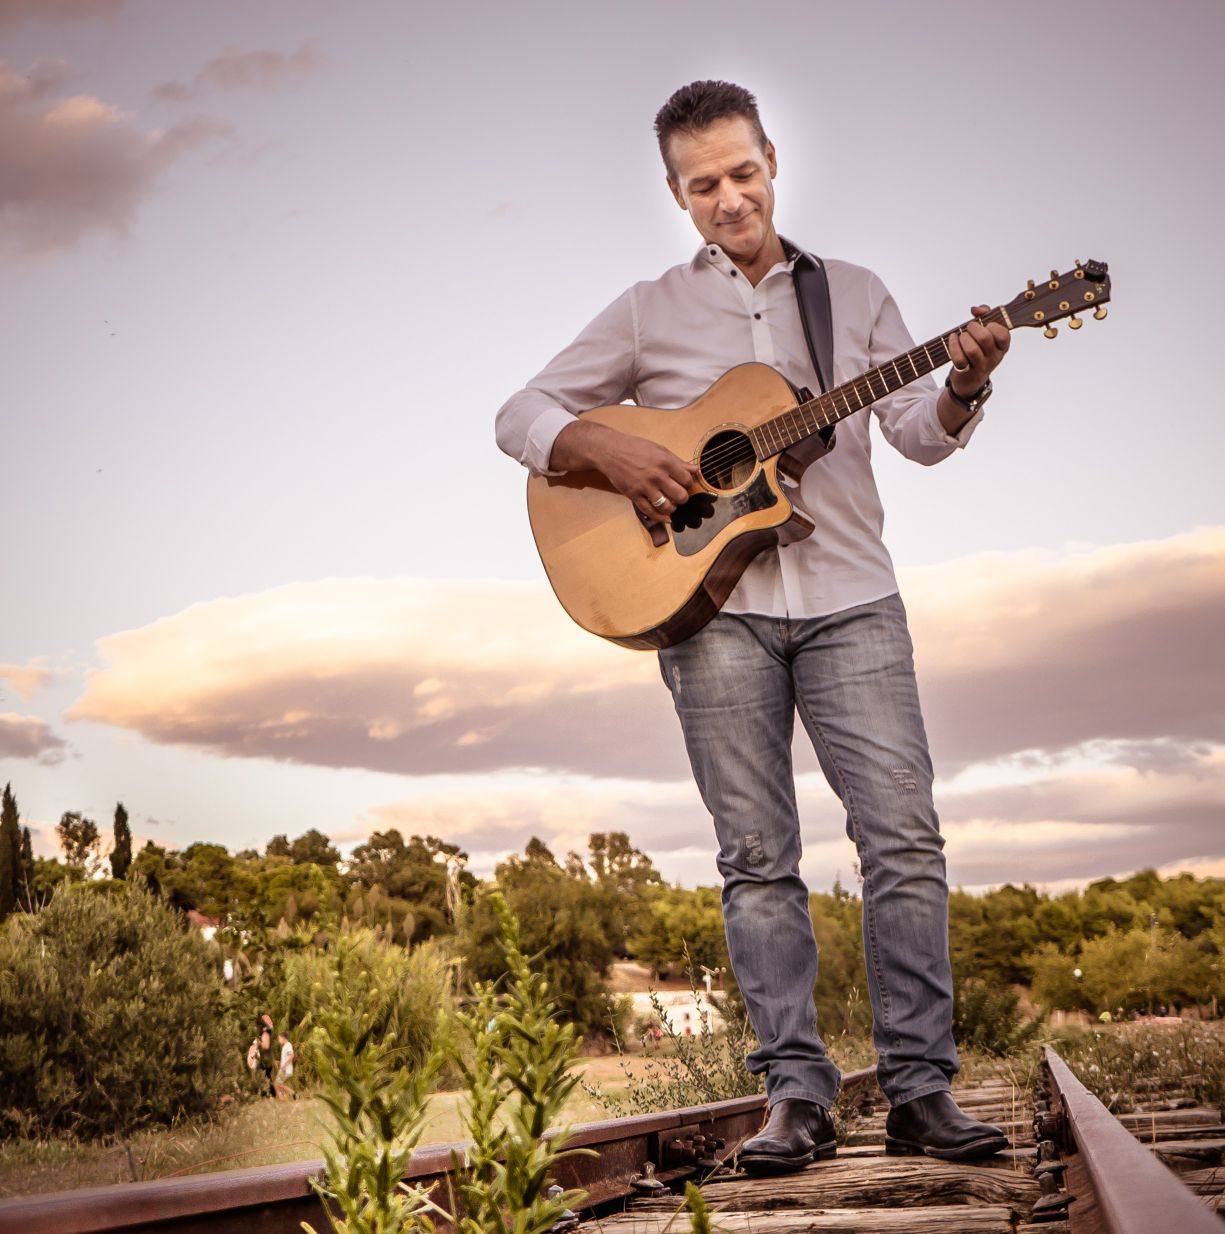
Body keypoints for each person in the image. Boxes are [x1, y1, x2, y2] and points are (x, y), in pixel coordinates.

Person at [495, 80, 1011, 1171]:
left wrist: (962, 386)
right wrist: (612, 451)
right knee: (755, 858)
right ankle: (794, 1095)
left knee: (903, 839)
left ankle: (921, 1090)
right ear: (675, 194)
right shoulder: (647, 310)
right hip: (711, 611)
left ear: (771, 161)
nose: (728, 197)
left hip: (851, 598)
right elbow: (521, 414)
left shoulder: (853, 294)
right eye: (703, 185)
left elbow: (915, 433)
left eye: (741, 172)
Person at [275, 1032, 296, 1100]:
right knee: (278, 1084)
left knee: (278, 1084)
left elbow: (291, 1055)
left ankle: (293, 1095)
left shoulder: (288, 1045)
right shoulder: (285, 1046)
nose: (279, 1040)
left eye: (279, 1038)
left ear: (283, 1038)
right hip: (284, 1068)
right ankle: (285, 1098)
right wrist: (279, 1063)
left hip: (285, 1069)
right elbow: (286, 1058)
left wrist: (284, 1065)